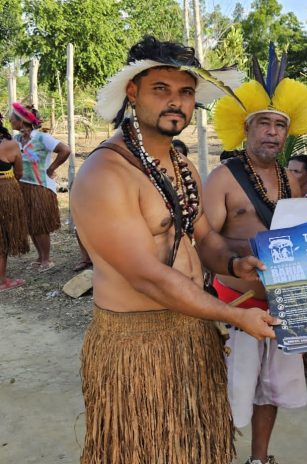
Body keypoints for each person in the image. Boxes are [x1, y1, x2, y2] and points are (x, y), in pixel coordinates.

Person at [70, 36, 275, 464]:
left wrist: (238, 263)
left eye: (185, 92)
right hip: (135, 345)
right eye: (160, 89)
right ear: (133, 93)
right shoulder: (106, 173)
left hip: (192, 334)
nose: (175, 103)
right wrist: (236, 315)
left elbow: (206, 240)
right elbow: (146, 276)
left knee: (197, 450)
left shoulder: (181, 165)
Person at [205, 46, 307, 464]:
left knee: (270, 389)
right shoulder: (223, 179)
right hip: (236, 303)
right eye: (263, 124)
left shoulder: (291, 179)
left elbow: (300, 239)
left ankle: (260, 458)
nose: (272, 132)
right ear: (245, 128)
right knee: (232, 393)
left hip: (281, 303)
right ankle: (216, 455)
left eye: (279, 126)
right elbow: (205, 243)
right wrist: (235, 272)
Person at [9, 102, 70, 272]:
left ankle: (46, 259)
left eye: (13, 119)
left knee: (40, 224)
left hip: (40, 187)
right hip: (22, 187)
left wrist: (51, 169)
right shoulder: (17, 139)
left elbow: (65, 150)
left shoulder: (42, 138)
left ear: (21, 121)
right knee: (31, 224)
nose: (10, 121)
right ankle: (39, 256)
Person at [0, 112, 29, 291]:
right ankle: (2, 281)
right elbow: (19, 173)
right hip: (5, 189)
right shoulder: (10, 145)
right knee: (2, 236)